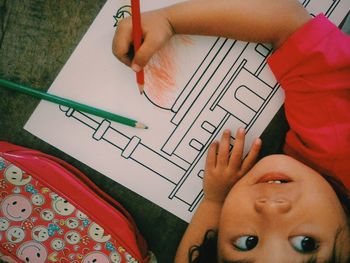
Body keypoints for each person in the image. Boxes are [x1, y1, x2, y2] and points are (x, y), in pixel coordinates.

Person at [112, 0, 350, 262]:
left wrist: (214, 202)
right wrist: (169, 20)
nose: (270, 208)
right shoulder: (339, 141)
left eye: (247, 242)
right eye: (306, 243)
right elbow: (287, 22)